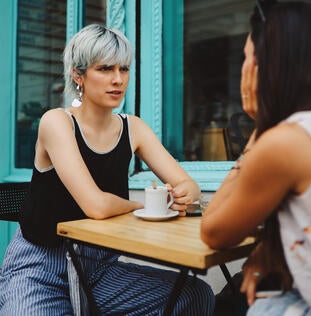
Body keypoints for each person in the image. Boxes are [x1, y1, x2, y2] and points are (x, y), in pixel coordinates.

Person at [0, 24, 215, 315]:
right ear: (79, 75)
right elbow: (96, 206)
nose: (117, 80)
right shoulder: (57, 122)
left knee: (195, 296)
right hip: (40, 268)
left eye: (123, 69)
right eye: (104, 69)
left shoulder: (133, 128)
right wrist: (146, 204)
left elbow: (189, 186)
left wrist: (182, 195)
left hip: (99, 267)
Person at [200, 0, 311, 315]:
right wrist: (268, 249)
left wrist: (258, 129)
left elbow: (213, 231)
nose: (244, 67)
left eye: (247, 57)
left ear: (264, 66)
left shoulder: (286, 142)